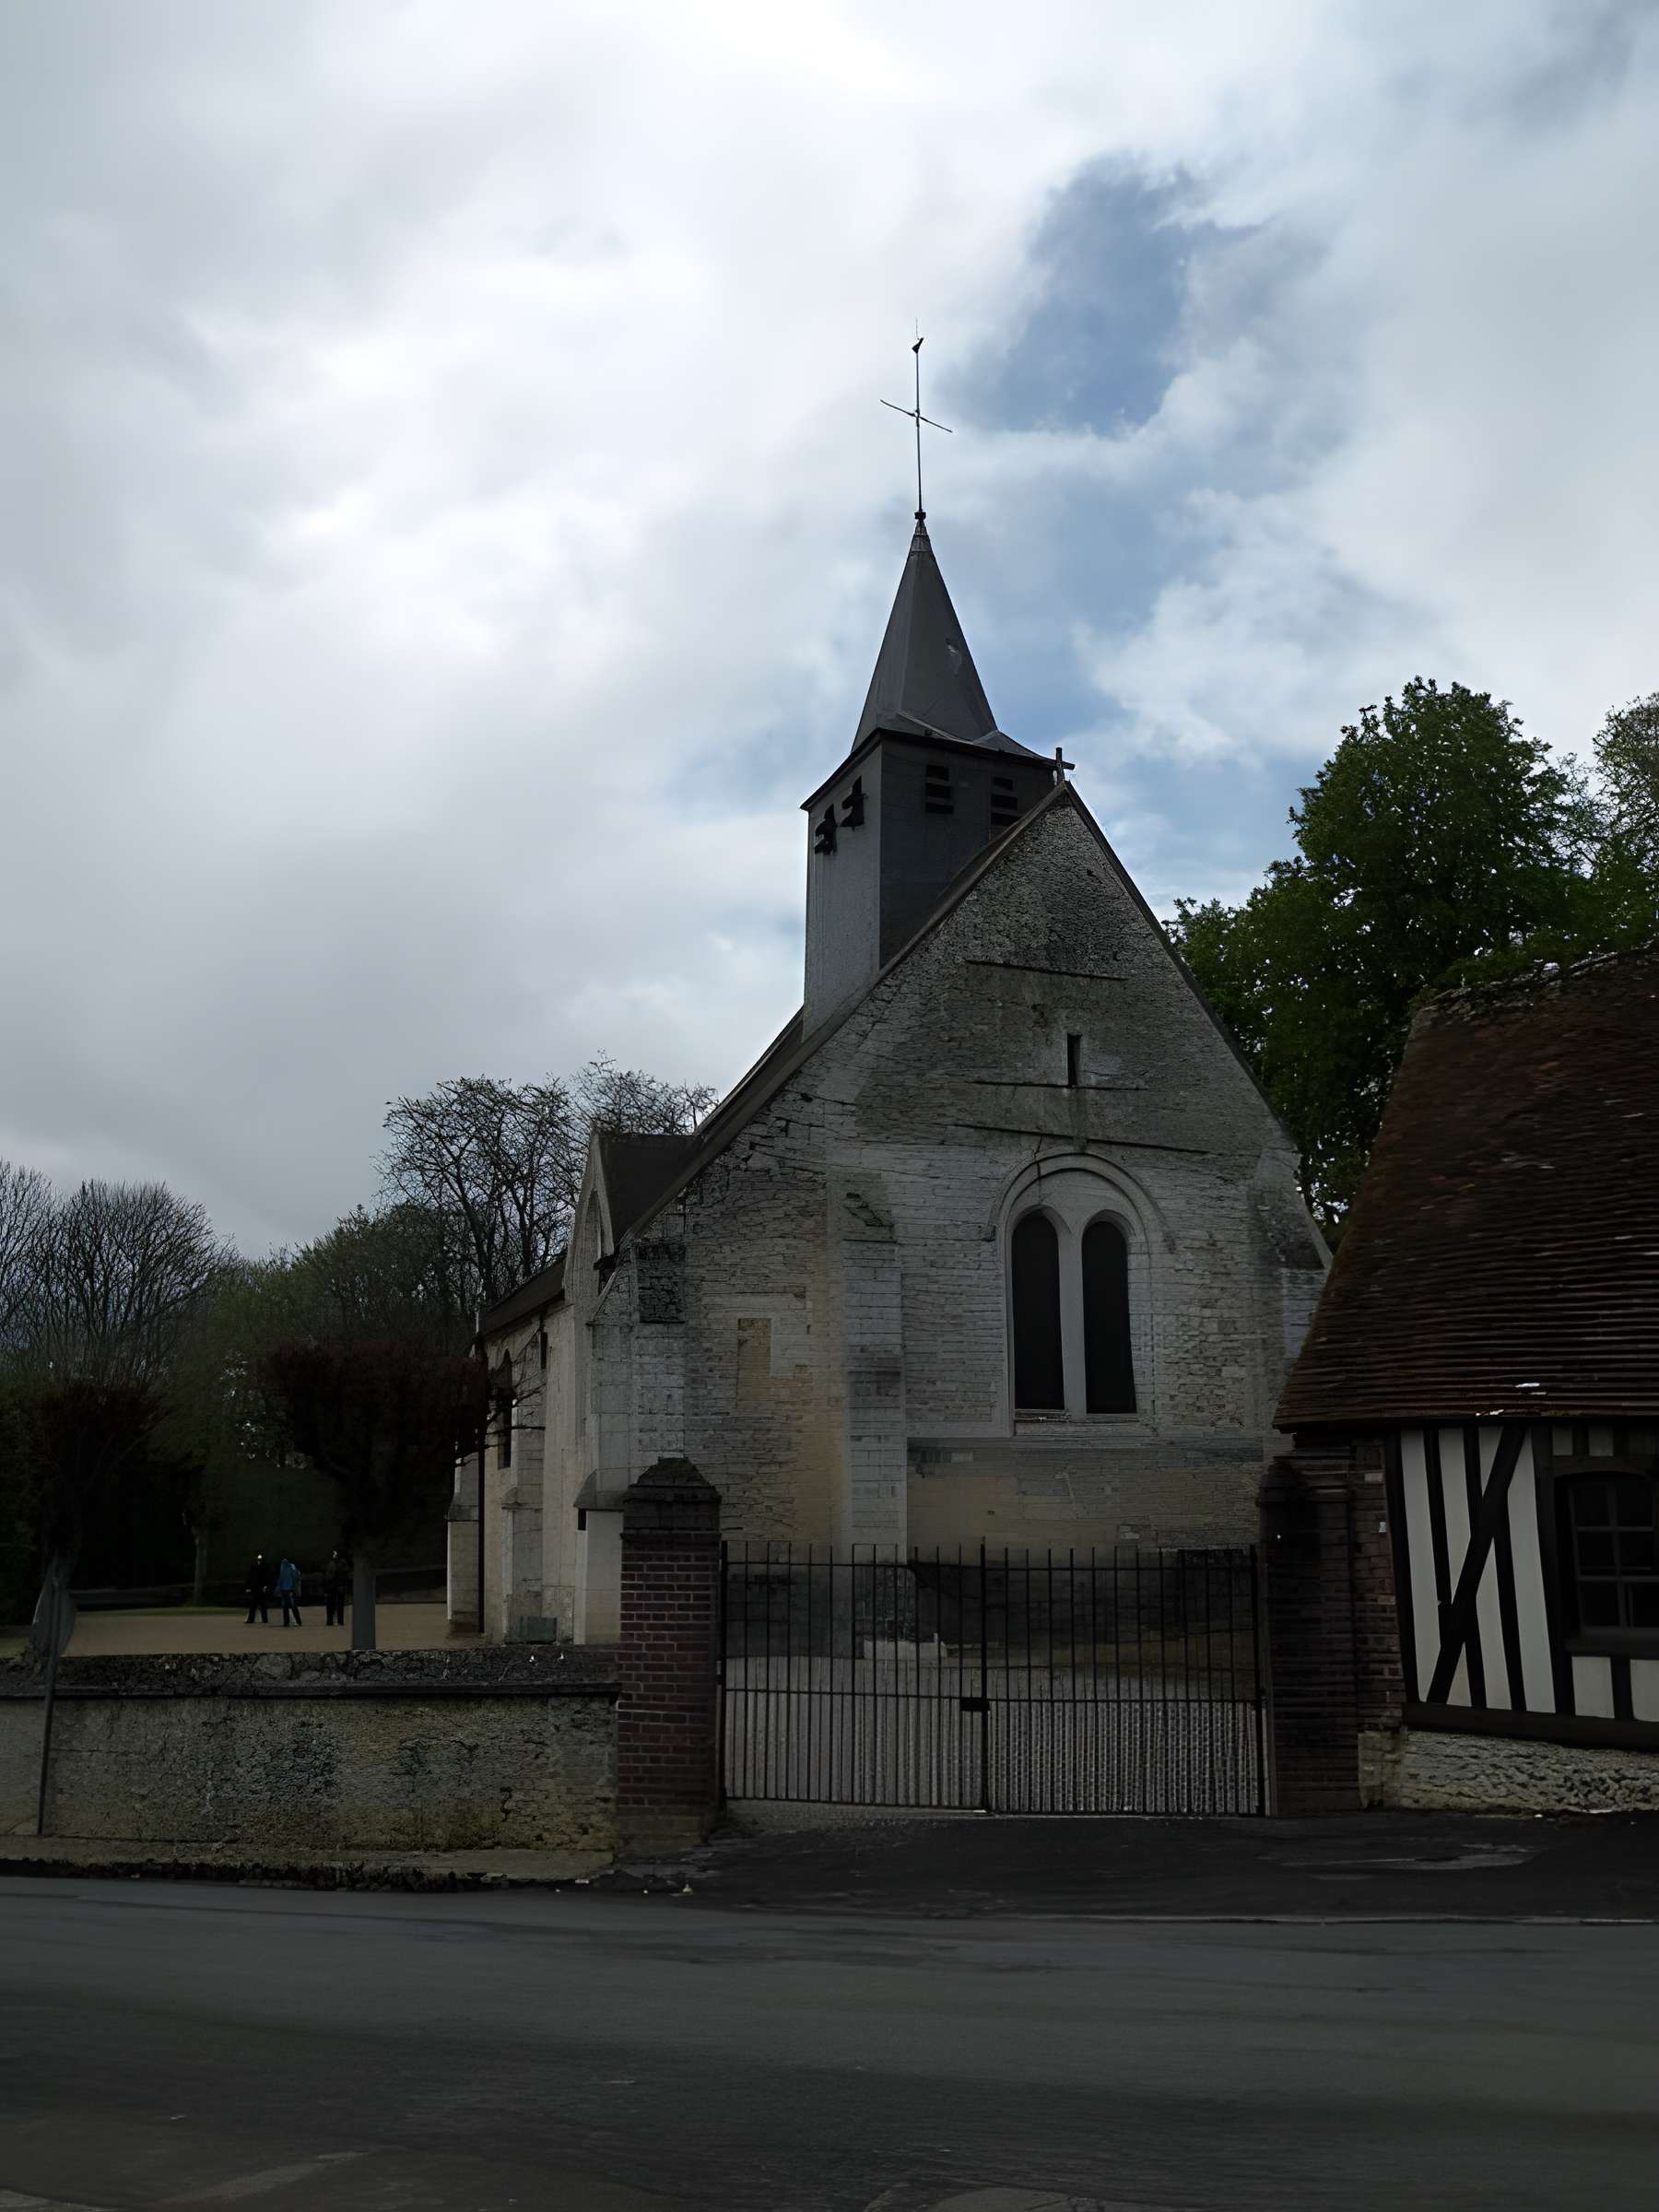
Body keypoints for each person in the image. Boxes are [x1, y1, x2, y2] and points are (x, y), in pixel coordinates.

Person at [324, 1549, 350, 1630]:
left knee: (331, 1605)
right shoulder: (344, 1566)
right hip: (341, 1587)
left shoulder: (332, 1565)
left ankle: (330, 1621)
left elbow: (329, 1577)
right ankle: (340, 1621)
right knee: (340, 1605)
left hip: (333, 1587)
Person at [276, 1555, 304, 1629]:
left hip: (287, 1590)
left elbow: (281, 1580)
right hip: (289, 1590)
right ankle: (297, 1621)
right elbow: (295, 1579)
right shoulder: (292, 1569)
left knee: (287, 1606)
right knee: (292, 1606)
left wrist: (278, 1589)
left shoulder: (284, 1569)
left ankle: (287, 1622)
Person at [243, 1554, 271, 1625]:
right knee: (254, 1605)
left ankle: (264, 1619)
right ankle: (251, 1619)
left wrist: (266, 1586)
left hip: (260, 1589)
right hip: (255, 1588)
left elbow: (267, 1577)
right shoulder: (254, 1567)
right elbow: (249, 1577)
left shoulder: (264, 1567)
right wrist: (248, 1587)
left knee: (261, 1605)